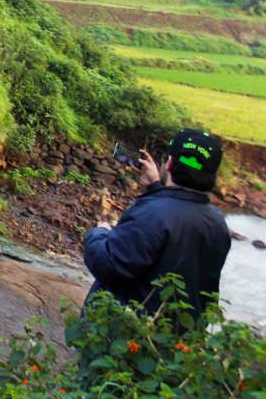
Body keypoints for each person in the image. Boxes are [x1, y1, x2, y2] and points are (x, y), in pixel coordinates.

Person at [83, 128, 231, 319]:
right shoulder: (218, 222)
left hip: (131, 334)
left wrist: (98, 234)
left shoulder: (152, 213)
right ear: (212, 177)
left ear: (168, 163)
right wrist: (155, 187)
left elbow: (109, 265)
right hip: (177, 338)